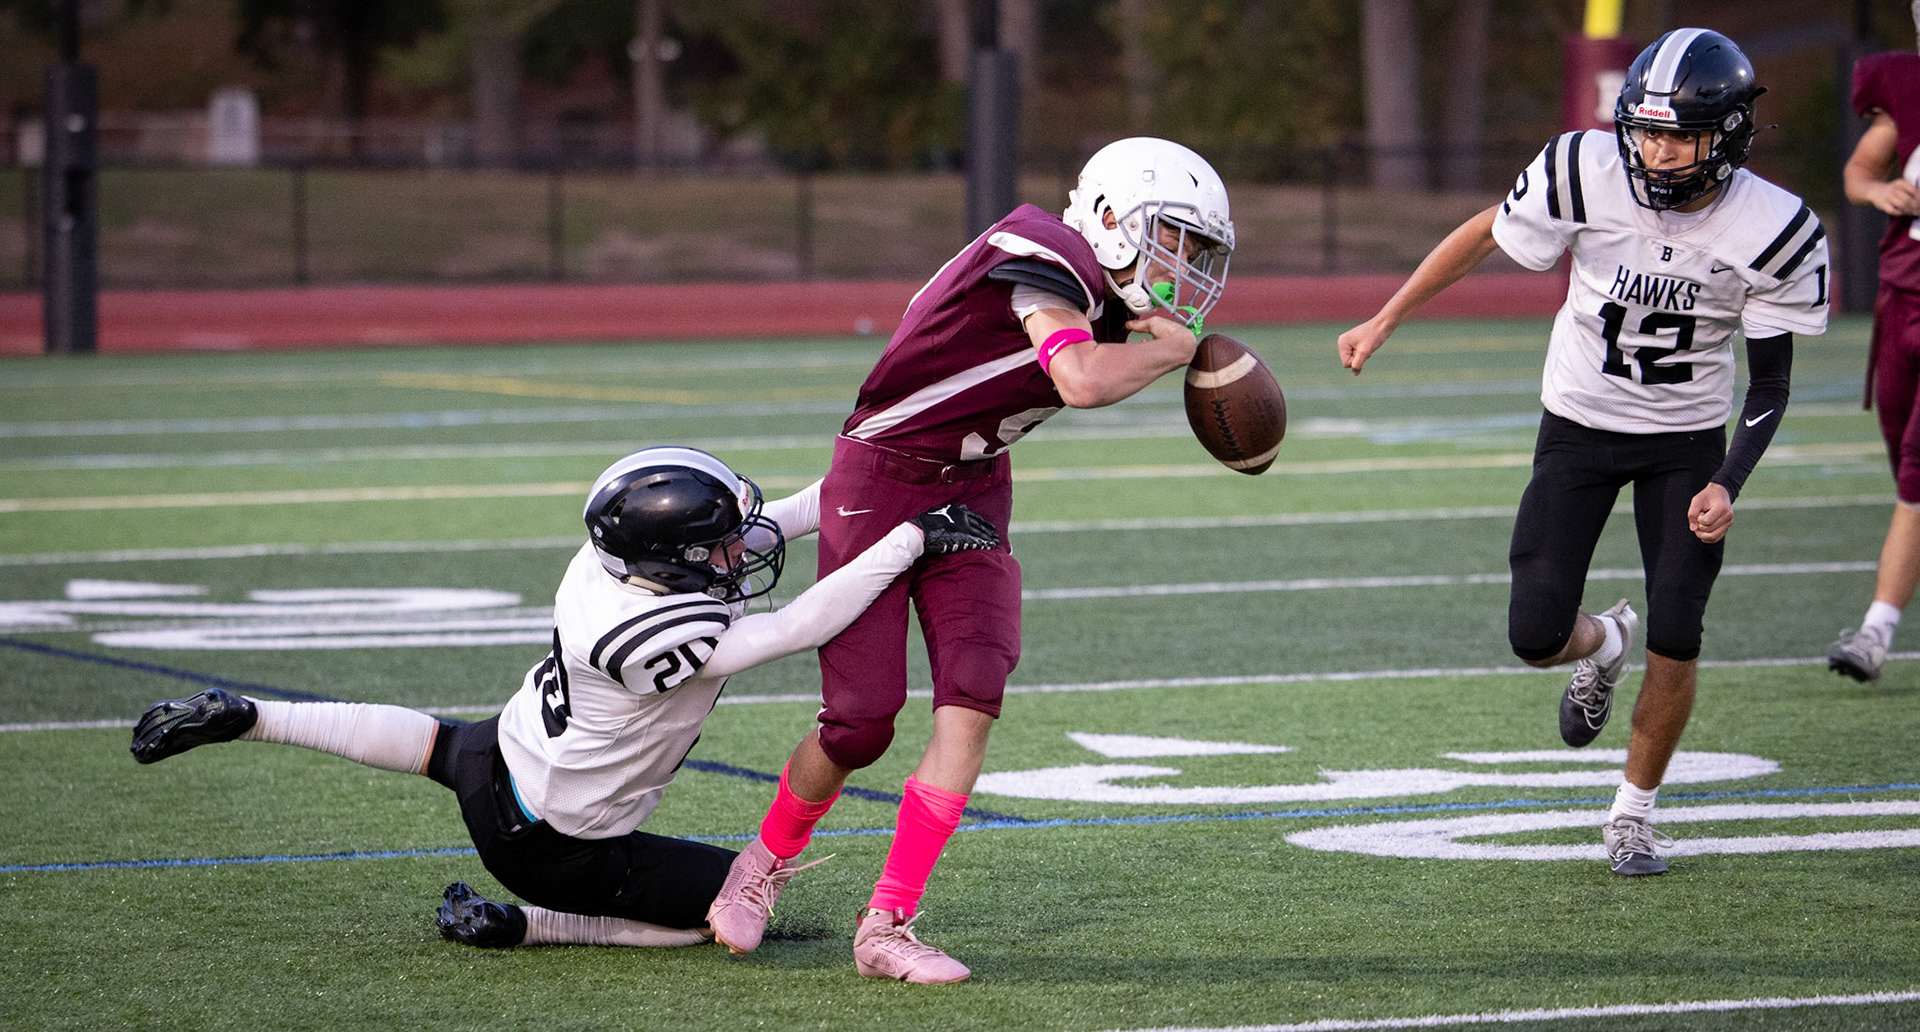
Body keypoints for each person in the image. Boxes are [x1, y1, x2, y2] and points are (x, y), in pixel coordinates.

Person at [705, 137, 1234, 983]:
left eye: (1197, 251)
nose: (1184, 266)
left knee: (974, 693)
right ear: (1109, 220)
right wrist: (1171, 352)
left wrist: (1164, 348)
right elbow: (1083, 381)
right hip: (880, 476)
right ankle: (760, 862)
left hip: (974, 488)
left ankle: (887, 924)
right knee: (861, 720)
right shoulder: (1042, 252)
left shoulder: (1100, 288)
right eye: (1173, 238)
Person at [129, 446, 997, 949]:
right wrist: (913, 539)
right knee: (726, 916)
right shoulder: (649, 635)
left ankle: (251, 714)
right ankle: (527, 925)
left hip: (502, 756)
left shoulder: (611, 566)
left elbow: (783, 521)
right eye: (722, 544)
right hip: (558, 845)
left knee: (433, 745)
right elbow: (801, 624)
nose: (741, 549)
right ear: (669, 561)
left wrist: (880, 485)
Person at [1337, 29, 1829, 877]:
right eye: (1645, 130)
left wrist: (1728, 480)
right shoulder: (1583, 169)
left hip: (1685, 440)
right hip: (1579, 421)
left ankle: (1633, 816)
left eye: (1680, 135)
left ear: (1731, 134)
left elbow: (1771, 384)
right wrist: (1388, 315)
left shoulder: (1773, 227)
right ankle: (1602, 644)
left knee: (1679, 630)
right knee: (1532, 632)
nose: (1658, 151)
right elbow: (1488, 231)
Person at [1830, 0, 1920, 684]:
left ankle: (1874, 632)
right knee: (1903, 462)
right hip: (1901, 296)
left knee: (1916, 480)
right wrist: (1877, 193)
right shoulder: (1909, 94)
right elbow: (1860, 170)